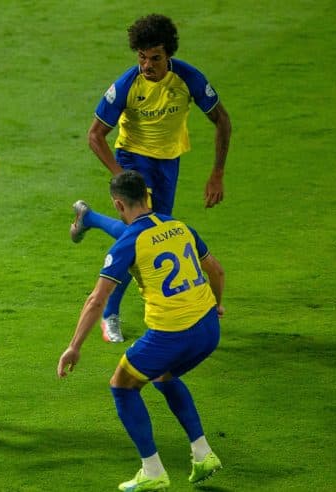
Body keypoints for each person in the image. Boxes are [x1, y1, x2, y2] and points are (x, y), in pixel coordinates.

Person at [58, 170, 225, 491]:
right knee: (162, 375)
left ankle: (152, 471)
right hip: (208, 329)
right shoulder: (180, 226)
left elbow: (97, 300)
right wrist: (217, 305)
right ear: (147, 196)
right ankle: (203, 453)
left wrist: (74, 346)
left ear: (118, 205)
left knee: (122, 385)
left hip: (172, 334)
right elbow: (216, 271)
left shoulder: (129, 242)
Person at [71, 13, 232, 343]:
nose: (147, 65)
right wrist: (122, 176)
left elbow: (223, 121)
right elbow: (95, 135)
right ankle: (109, 313)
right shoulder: (127, 85)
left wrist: (217, 173)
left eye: (155, 58)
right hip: (133, 160)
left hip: (168, 163)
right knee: (141, 236)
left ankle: (90, 218)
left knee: (153, 232)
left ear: (168, 55)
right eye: (142, 57)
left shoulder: (188, 78)